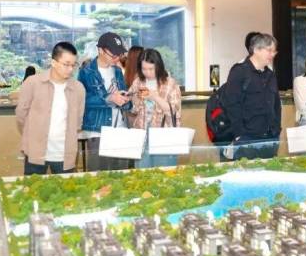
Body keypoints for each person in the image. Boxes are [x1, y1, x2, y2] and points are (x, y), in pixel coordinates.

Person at [16, 42, 85, 175]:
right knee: (33, 187)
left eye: (74, 65)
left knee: (66, 188)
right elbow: (21, 116)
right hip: (36, 152)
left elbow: (78, 122)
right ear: (53, 62)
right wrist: (33, 135)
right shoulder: (33, 83)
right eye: (66, 64)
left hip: (65, 155)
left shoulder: (78, 88)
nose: (70, 69)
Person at [78, 32, 131, 171]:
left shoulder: (118, 71)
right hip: (98, 131)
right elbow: (81, 100)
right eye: (113, 55)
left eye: (119, 55)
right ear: (100, 50)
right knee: (99, 175)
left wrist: (126, 99)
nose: (117, 58)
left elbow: (124, 98)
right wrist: (109, 98)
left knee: (121, 175)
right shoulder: (86, 72)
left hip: (120, 128)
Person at [223, 33, 281, 160]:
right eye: (269, 50)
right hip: (247, 138)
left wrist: (277, 130)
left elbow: (276, 105)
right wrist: (239, 134)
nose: (273, 54)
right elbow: (232, 104)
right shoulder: (239, 71)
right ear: (256, 49)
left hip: (270, 138)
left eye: (274, 51)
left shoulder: (270, 75)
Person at [128, 48, 182, 168]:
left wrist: (154, 97)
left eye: (151, 69)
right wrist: (133, 99)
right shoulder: (138, 82)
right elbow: (133, 109)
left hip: (164, 135)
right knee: (142, 172)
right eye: (144, 69)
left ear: (158, 66)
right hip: (142, 134)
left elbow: (174, 111)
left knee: (164, 171)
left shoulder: (170, 83)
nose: (147, 72)